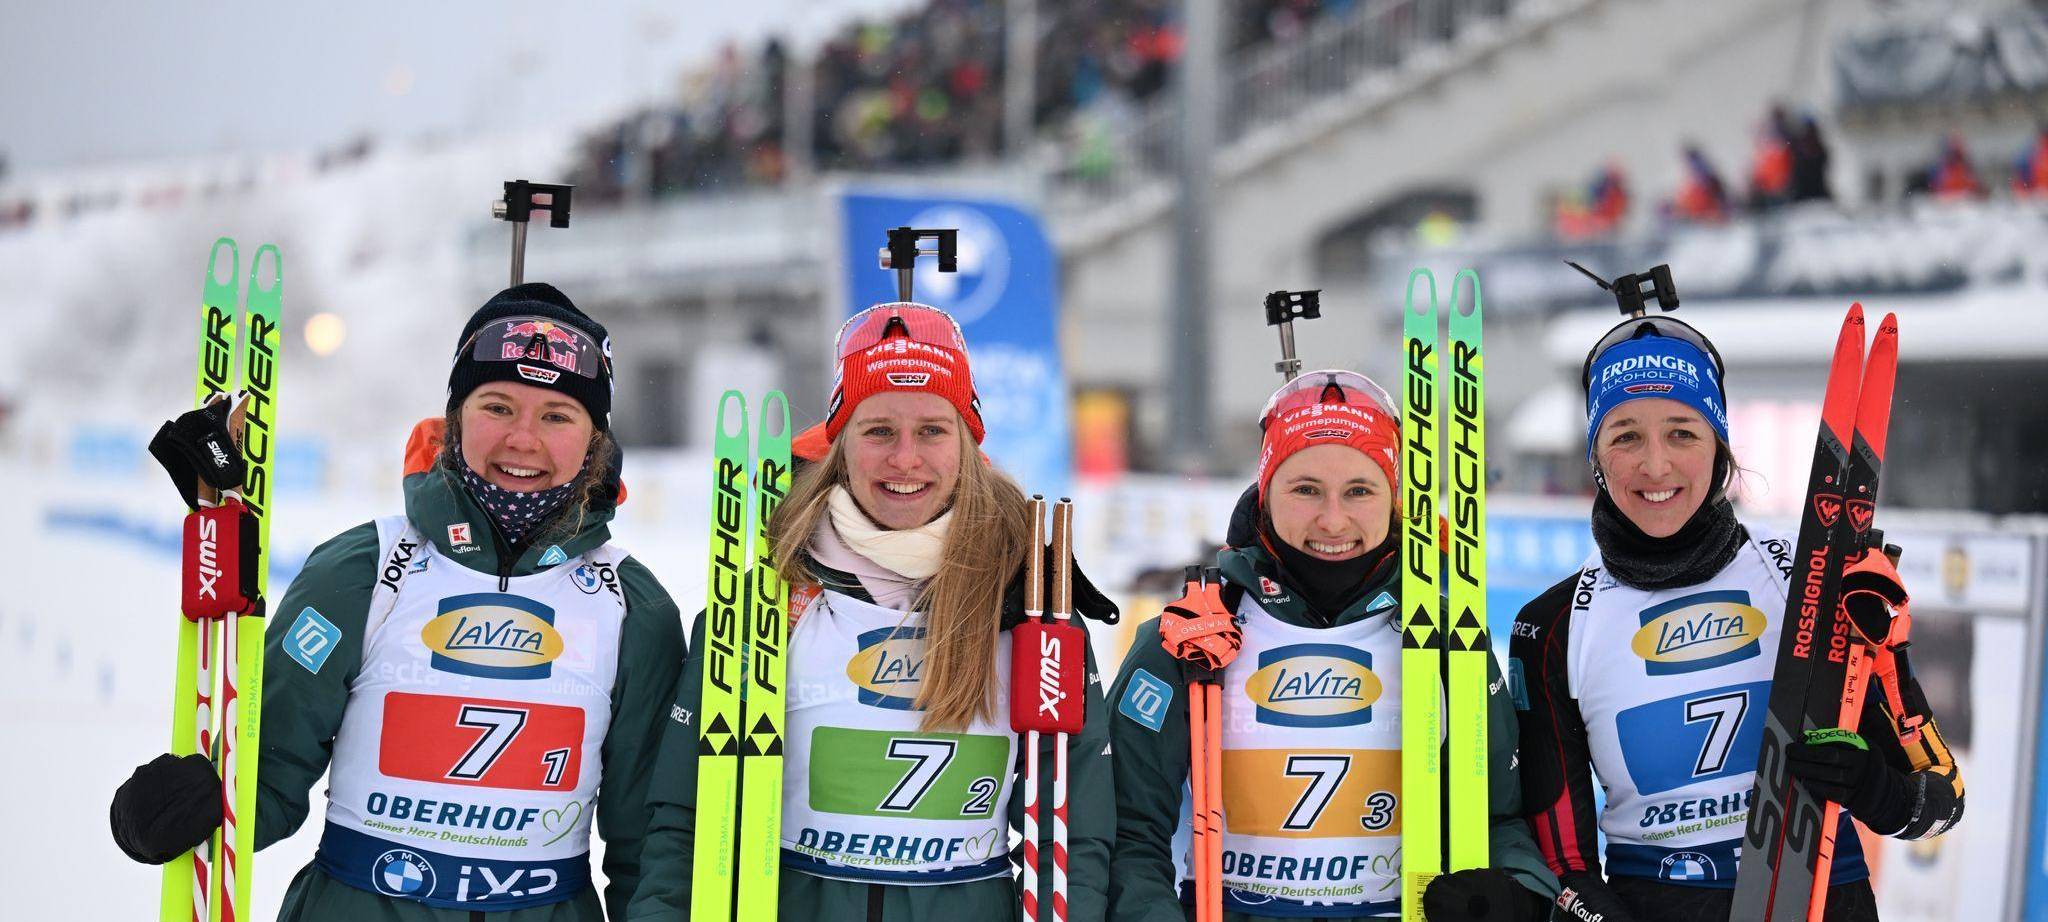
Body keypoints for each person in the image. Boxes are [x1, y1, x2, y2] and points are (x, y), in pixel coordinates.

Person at [110, 283, 686, 919]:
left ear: (594, 440)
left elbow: (650, 845)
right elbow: (263, 777)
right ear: (455, 419)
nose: (523, 439)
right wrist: (172, 810)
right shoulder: (363, 571)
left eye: (557, 416)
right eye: (497, 406)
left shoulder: (633, 609)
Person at [626, 301, 1118, 920]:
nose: (905, 459)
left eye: (933, 431)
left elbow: (1082, 831)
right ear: (840, 444)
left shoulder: (1031, 605)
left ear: (967, 444)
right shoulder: (769, 599)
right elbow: (683, 818)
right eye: (879, 430)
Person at [1511, 303, 1965, 922]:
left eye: (1682, 432)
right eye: (1624, 436)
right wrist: (1587, 909)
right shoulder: (1554, 628)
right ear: (1595, 453)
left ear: (1720, 444)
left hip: (1822, 893)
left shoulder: (1810, 583)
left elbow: (1941, 799)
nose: (1656, 465)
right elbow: (1559, 860)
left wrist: (1870, 786)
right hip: (1656, 902)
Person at [1108, 369, 1558, 921]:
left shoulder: (1447, 642)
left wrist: (1517, 896)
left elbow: (1497, 819)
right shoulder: (1189, 637)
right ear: (1264, 494)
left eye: (1360, 491)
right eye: (1305, 489)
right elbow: (1126, 835)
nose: (1332, 519)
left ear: (1394, 500)